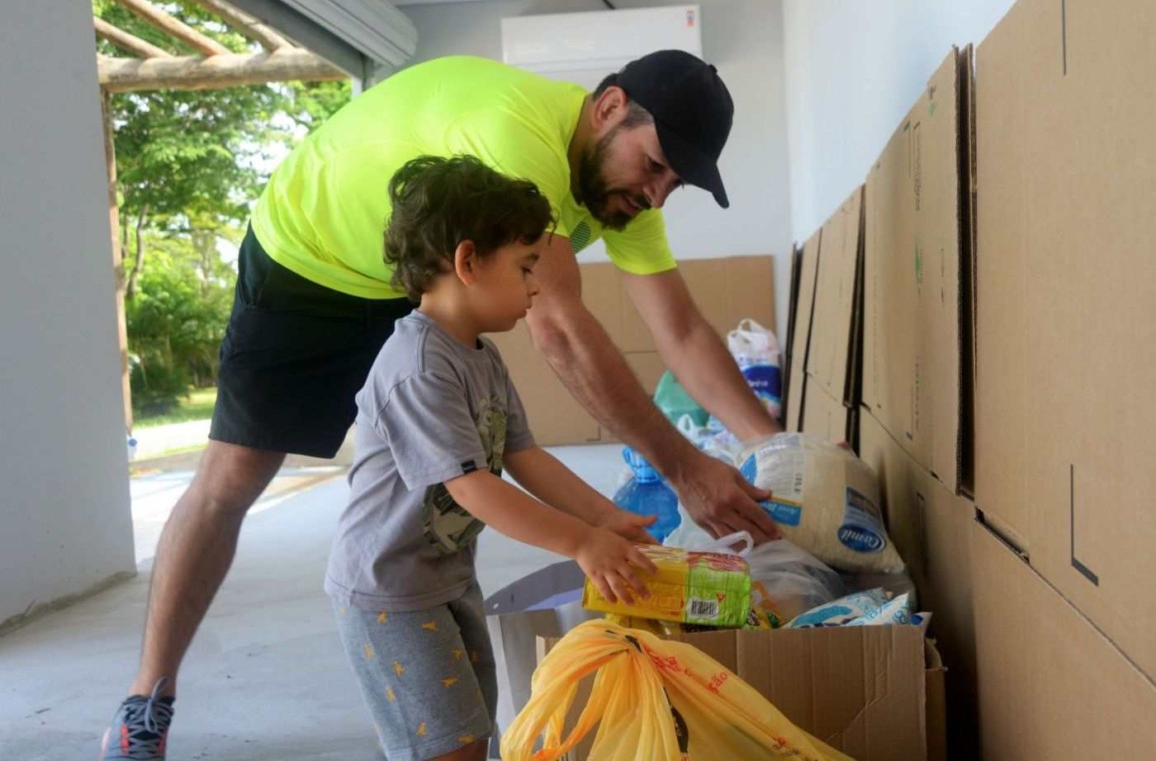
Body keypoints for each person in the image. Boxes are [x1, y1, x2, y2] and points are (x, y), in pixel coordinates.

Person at [100, 49, 782, 760]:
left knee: (430, 459)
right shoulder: (521, 141)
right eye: (655, 166)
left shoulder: (619, 192)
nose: (658, 195)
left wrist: (777, 449)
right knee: (232, 480)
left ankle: (406, 622)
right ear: (610, 108)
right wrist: (680, 472)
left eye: (676, 183)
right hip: (312, 257)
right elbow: (562, 332)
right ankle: (145, 701)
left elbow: (680, 330)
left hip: (412, 275)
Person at [328, 154, 659, 761]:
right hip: (390, 591)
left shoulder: (478, 355)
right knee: (445, 747)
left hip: (446, 576)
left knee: (470, 735)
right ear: (468, 261)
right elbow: (474, 488)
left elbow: (525, 455)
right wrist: (581, 544)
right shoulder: (419, 368)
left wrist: (604, 519)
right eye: (527, 266)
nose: (537, 285)